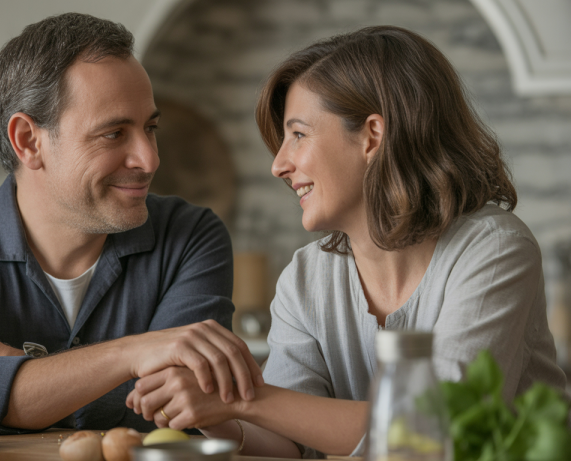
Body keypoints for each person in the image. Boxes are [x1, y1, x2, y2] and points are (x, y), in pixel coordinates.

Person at [126, 25, 569, 457]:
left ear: (372, 136)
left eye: (298, 134)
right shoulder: (306, 276)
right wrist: (211, 406)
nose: (279, 164)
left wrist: (242, 399)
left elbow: (435, 431)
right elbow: (290, 439)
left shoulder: (493, 250)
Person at [0, 13, 263, 433]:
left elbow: (177, 413)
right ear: (29, 141)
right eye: (114, 133)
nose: (150, 159)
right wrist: (133, 355)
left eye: (150, 128)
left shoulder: (192, 236)